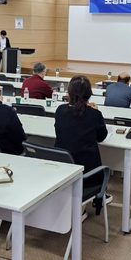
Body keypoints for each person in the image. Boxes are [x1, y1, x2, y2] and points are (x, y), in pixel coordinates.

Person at [54, 75, 109, 209]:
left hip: (62, 169)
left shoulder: (60, 110)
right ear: (89, 94)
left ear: (69, 92)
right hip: (88, 174)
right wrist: (96, 112)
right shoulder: (94, 114)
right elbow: (101, 137)